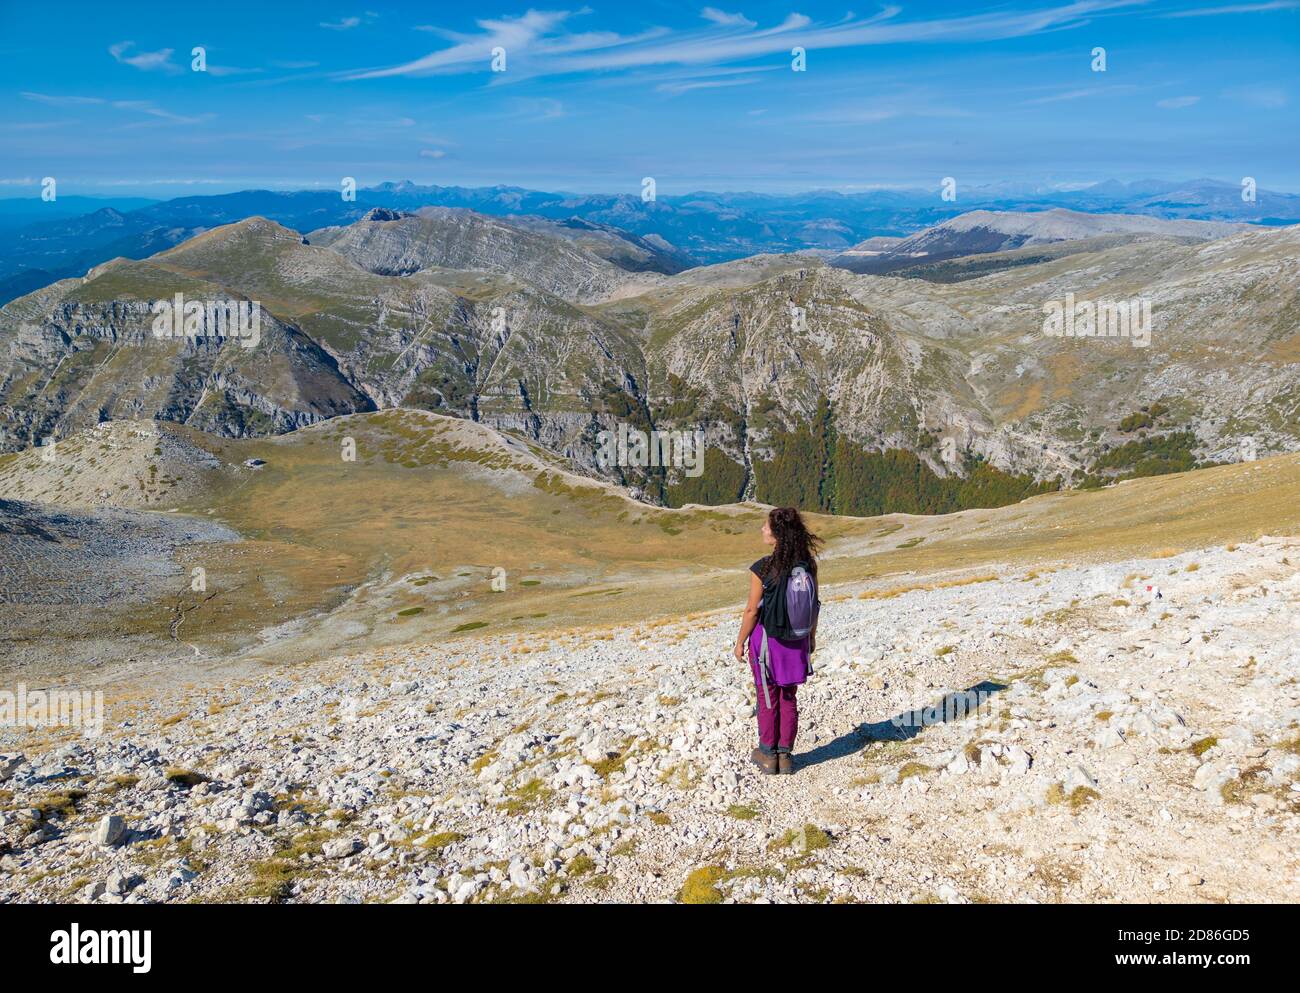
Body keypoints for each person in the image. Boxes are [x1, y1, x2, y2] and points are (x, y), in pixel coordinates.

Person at [733, 506, 822, 775]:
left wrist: (739, 642)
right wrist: (811, 639)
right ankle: (786, 755)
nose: (762, 529)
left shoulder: (764, 568)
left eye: (766, 526)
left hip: (768, 643)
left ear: (778, 534)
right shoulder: (808, 565)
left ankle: (767, 753)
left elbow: (752, 611)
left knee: (767, 696)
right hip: (798, 641)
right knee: (788, 696)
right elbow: (814, 603)